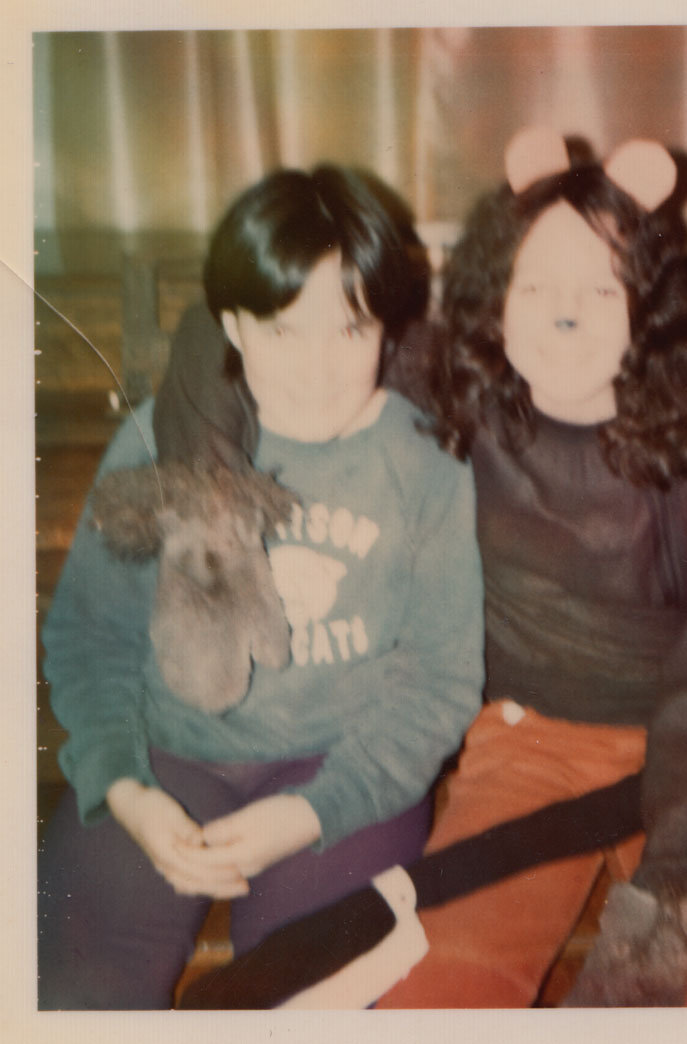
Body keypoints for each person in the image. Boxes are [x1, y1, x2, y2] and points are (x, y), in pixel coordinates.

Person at [148, 131, 687, 1007]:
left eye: (600, 288)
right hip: (521, 743)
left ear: (646, 304)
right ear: (497, 294)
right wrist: (213, 525)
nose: (564, 316)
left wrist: (650, 943)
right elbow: (210, 329)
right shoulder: (460, 383)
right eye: (535, 286)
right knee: (441, 995)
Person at [37, 165, 484, 1010]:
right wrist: (125, 790)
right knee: (71, 995)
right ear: (235, 324)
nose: (318, 369)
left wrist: (312, 813)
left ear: (385, 327)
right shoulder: (160, 441)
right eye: (283, 331)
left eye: (349, 329)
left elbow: (441, 678)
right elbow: (89, 639)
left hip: (348, 774)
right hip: (167, 756)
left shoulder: (426, 460)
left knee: (307, 1001)